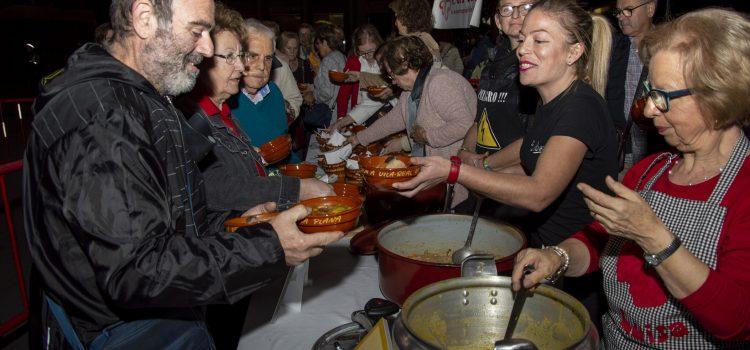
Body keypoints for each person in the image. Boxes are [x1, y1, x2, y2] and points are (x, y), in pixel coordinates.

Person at [23, 0, 343, 348]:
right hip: (126, 333)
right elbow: (138, 270)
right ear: (145, 20)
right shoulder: (104, 117)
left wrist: (235, 226)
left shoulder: (139, 96)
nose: (206, 49)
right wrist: (268, 247)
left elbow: (164, 220)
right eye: (196, 31)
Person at [512, 8, 750, 347]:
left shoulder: (744, 189)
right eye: (650, 93)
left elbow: (736, 320)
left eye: (663, 96)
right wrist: (557, 257)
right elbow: (596, 242)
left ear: (718, 95)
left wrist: (654, 238)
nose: (650, 110)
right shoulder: (649, 172)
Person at [393, 0, 617, 323]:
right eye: (524, 39)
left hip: (573, 270)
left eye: (539, 40)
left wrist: (456, 171)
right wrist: (480, 168)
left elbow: (538, 192)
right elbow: (531, 158)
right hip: (540, 255)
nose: (524, 49)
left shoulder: (581, 108)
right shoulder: (549, 103)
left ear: (573, 52)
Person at [178, 7, 332, 213]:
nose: (245, 66)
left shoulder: (227, 108)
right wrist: (297, 189)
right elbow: (216, 189)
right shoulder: (194, 116)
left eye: (268, 58)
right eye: (237, 56)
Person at [350, 36, 475, 205]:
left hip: (454, 176)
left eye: (392, 75)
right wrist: (359, 138)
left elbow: (465, 124)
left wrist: (428, 137)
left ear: (406, 66)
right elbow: (393, 120)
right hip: (436, 176)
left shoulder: (440, 82)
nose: (392, 81)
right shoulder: (411, 90)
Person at [453, 0, 539, 215]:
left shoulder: (538, 68)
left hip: (517, 183)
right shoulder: (490, 66)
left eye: (525, 7)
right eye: (508, 9)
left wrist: (487, 166)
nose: (516, 15)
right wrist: (465, 152)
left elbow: (535, 138)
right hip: (486, 181)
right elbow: (480, 120)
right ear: (498, 21)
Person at [229, 19, 301, 163]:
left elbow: (284, 151)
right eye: (253, 56)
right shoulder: (225, 98)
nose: (262, 66)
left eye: (268, 58)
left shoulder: (274, 92)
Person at [608, 0, 657, 173]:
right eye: (618, 11)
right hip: (621, 149)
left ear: (650, 9)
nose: (621, 16)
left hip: (656, 148)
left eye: (628, 10)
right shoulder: (612, 47)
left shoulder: (668, 48)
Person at [330, 24, 388, 131]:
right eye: (362, 52)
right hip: (359, 113)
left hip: (385, 114)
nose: (367, 56)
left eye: (371, 51)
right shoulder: (354, 61)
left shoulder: (387, 60)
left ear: (378, 43)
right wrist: (341, 118)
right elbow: (344, 92)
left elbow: (385, 89)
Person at [305, 24, 346, 129]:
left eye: (318, 43)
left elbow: (326, 92)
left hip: (330, 114)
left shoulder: (328, 60)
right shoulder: (341, 56)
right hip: (341, 110)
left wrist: (313, 96)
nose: (317, 47)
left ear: (326, 42)